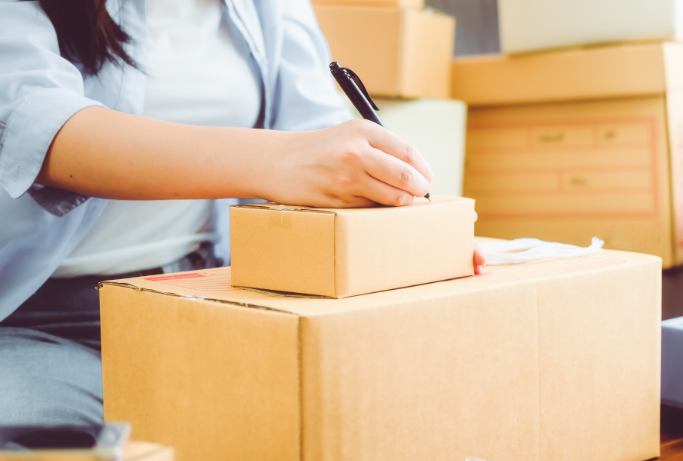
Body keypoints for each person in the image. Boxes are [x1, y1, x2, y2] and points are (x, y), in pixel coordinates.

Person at [0, 0, 486, 427]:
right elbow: (32, 123)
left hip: (210, 294)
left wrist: (406, 234)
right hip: (40, 315)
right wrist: (279, 160)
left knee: (383, 405)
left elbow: (313, 127)